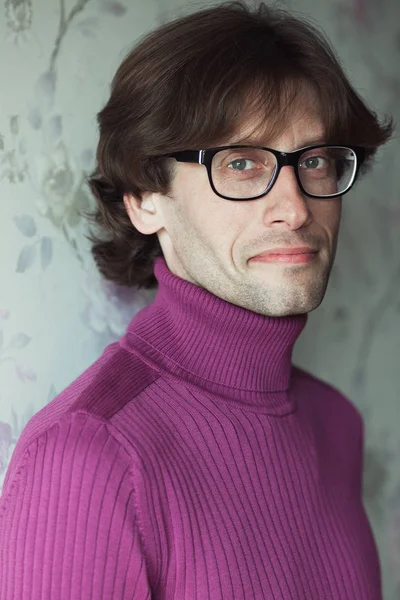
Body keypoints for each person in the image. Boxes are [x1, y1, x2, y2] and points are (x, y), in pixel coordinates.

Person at [0, 2, 393, 599]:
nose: (294, 207)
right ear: (143, 199)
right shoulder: (88, 457)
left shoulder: (336, 423)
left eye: (313, 161)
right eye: (240, 163)